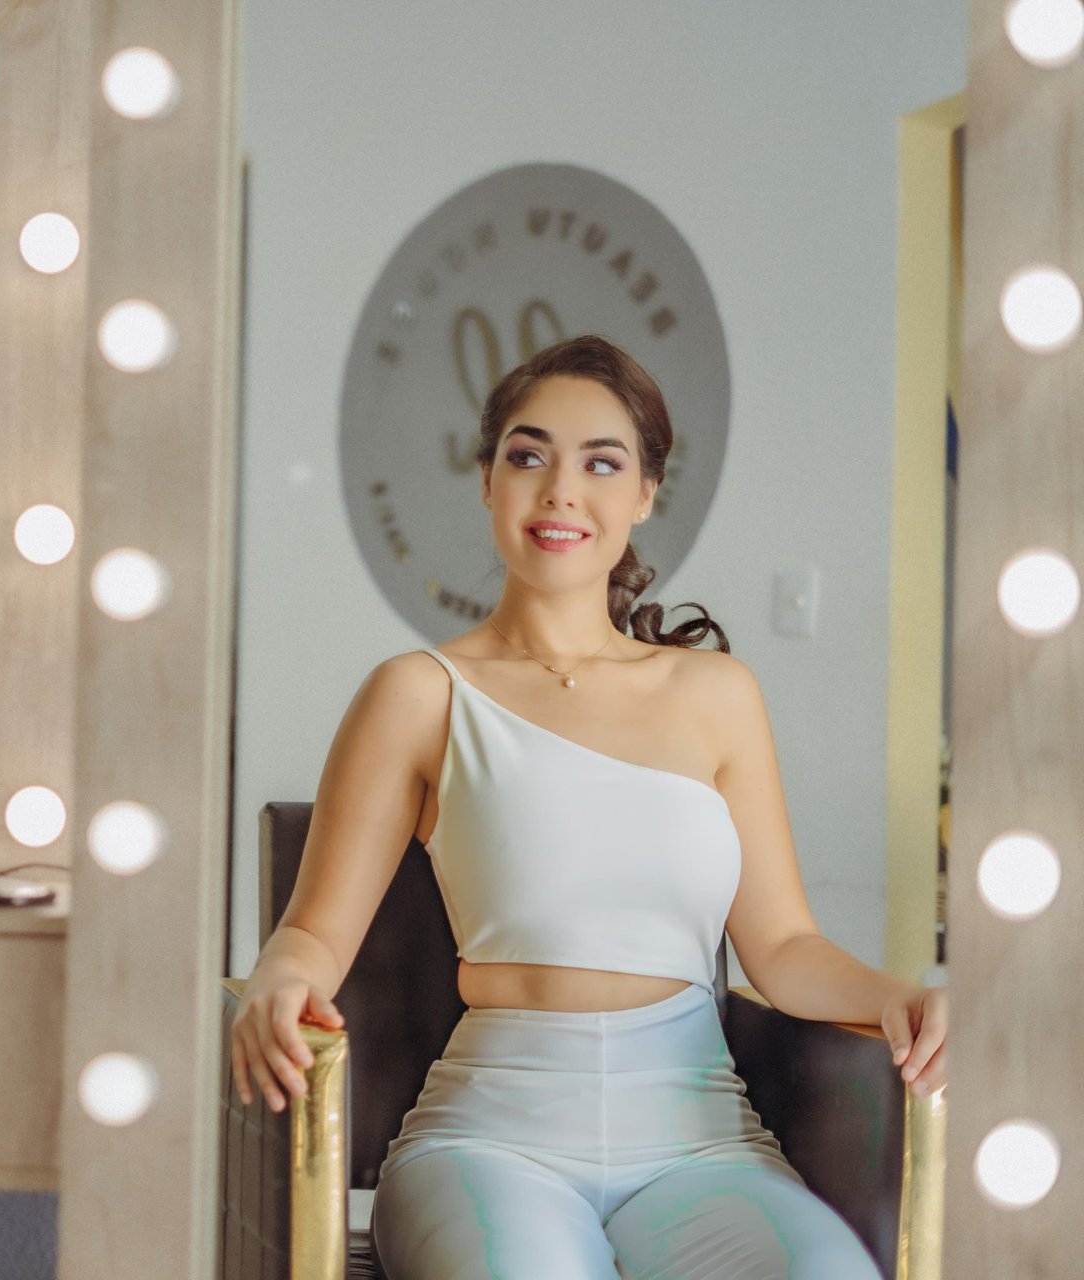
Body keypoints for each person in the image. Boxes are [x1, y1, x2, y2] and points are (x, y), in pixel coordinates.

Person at [229, 335, 949, 1279]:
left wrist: (903, 997)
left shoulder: (718, 693)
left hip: (703, 1151)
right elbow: (313, 933)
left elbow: (784, 951)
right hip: (490, 1149)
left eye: (601, 463)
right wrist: (279, 977)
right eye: (528, 456)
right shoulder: (418, 693)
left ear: (645, 493)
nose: (561, 490)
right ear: (487, 479)